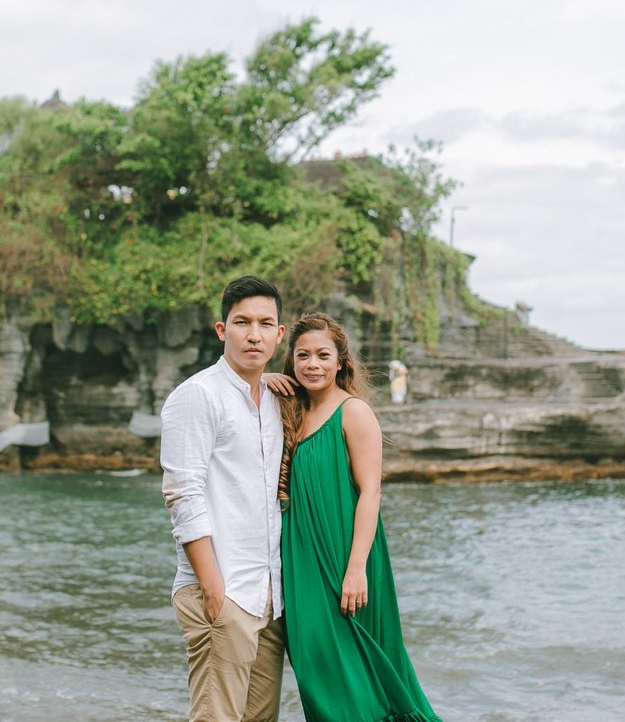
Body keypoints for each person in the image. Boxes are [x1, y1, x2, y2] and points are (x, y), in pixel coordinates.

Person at [268, 312, 442, 722]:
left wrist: (356, 569)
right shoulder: (289, 410)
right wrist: (262, 381)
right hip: (303, 560)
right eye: (302, 355)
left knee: (365, 673)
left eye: (323, 355)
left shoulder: (353, 412)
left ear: (340, 361)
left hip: (348, 556)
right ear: (291, 360)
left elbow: (370, 492)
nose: (312, 364)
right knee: (314, 667)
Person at [160, 276, 287, 722]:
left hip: (269, 595)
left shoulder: (274, 398)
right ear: (222, 330)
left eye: (265, 324)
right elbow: (182, 494)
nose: (254, 334)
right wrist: (214, 591)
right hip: (223, 590)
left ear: (279, 334)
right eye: (242, 322)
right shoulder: (197, 395)